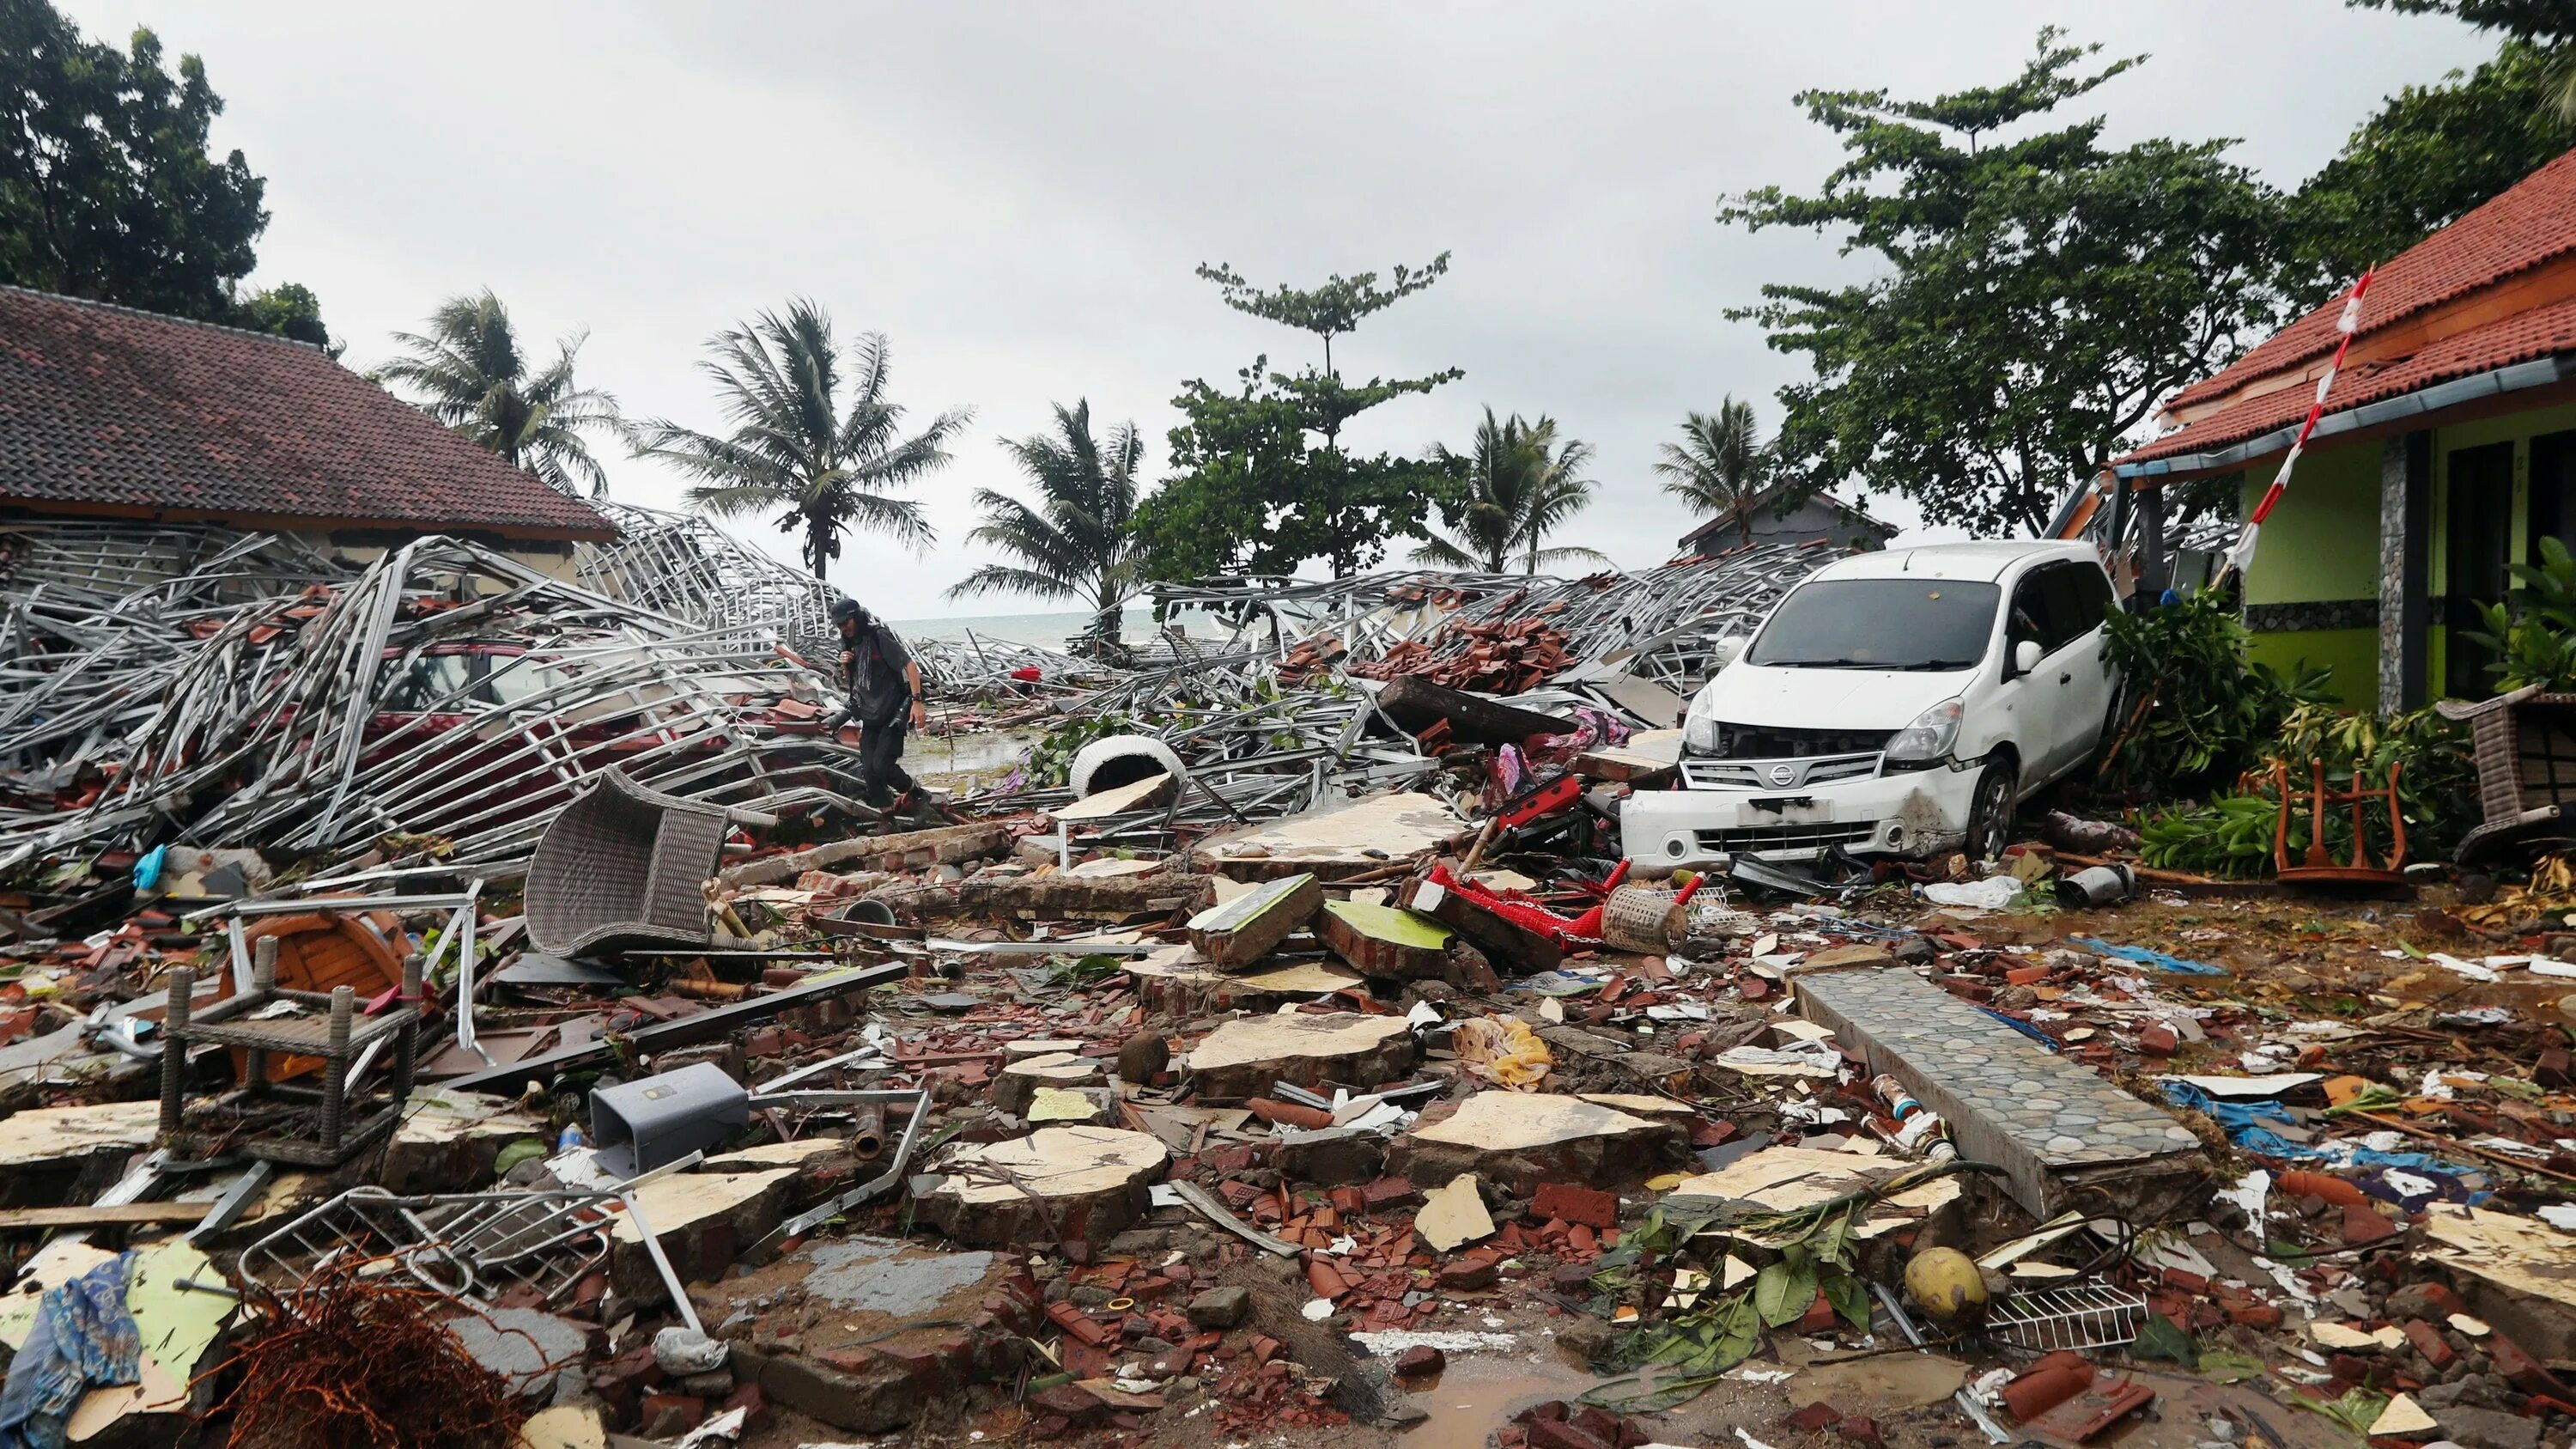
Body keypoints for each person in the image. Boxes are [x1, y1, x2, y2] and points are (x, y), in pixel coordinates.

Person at [829, 599, 927, 809]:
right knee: (869, 771)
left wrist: (917, 702)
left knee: (882, 765)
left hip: (892, 714)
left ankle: (916, 793)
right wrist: (846, 665)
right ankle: (887, 817)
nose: (843, 628)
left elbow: (910, 665)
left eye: (846, 622)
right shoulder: (849, 644)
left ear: (857, 617)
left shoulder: (878, 637)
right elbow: (855, 682)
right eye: (839, 625)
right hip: (869, 715)